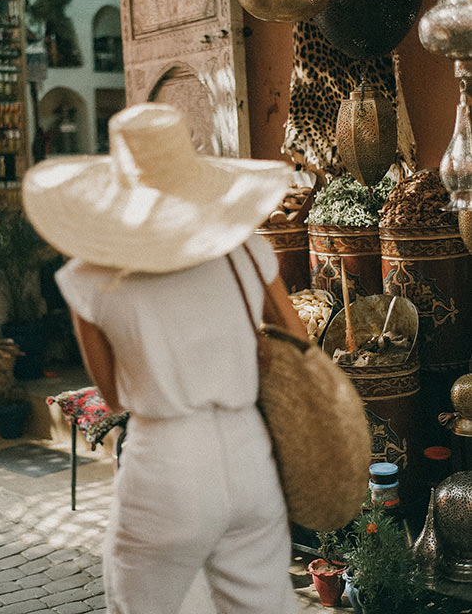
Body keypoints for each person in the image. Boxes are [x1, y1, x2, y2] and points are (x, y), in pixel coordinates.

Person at [23, 103, 305, 614]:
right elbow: (297, 338)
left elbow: (110, 396)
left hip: (167, 461)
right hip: (249, 451)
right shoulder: (243, 251)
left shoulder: (93, 277)